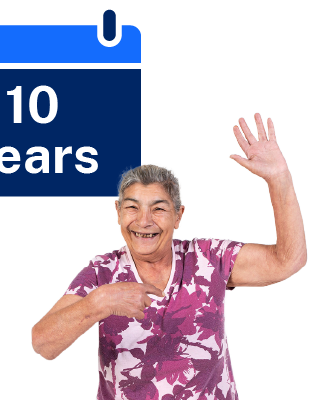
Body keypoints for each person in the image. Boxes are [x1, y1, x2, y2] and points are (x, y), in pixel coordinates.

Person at [31, 113, 307, 400]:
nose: (144, 221)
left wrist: (279, 179)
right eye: (132, 208)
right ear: (118, 213)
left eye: (159, 209)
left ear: (178, 216)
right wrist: (99, 302)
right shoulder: (103, 272)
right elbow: (42, 343)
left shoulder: (208, 258)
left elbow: (288, 260)